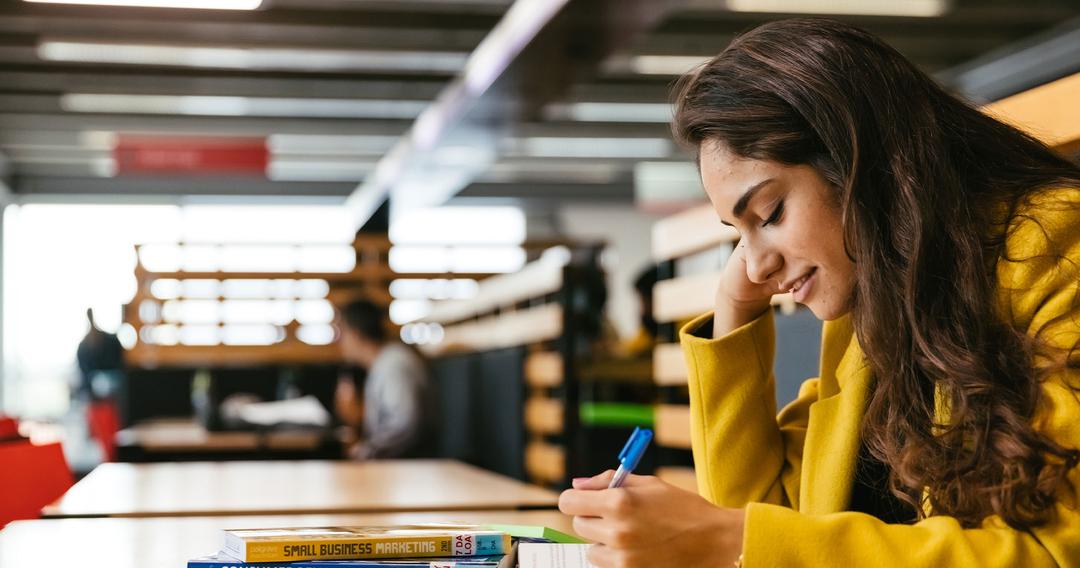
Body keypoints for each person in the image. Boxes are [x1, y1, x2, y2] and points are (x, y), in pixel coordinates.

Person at [559, 18, 1080, 567]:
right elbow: (768, 518)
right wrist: (734, 318)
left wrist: (727, 539)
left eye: (770, 213)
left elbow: (1053, 552)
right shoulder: (871, 314)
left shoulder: (1054, 247)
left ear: (862, 163)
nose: (756, 265)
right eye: (737, 235)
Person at [334, 299, 436, 459]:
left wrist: (364, 452)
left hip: (411, 467)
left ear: (356, 333)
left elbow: (403, 424)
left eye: (341, 333)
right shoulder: (382, 364)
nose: (338, 342)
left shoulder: (393, 365)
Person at [75, 308, 124, 401]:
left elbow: (120, 364)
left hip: (115, 390)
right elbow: (83, 374)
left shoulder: (112, 341)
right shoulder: (83, 347)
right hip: (93, 396)